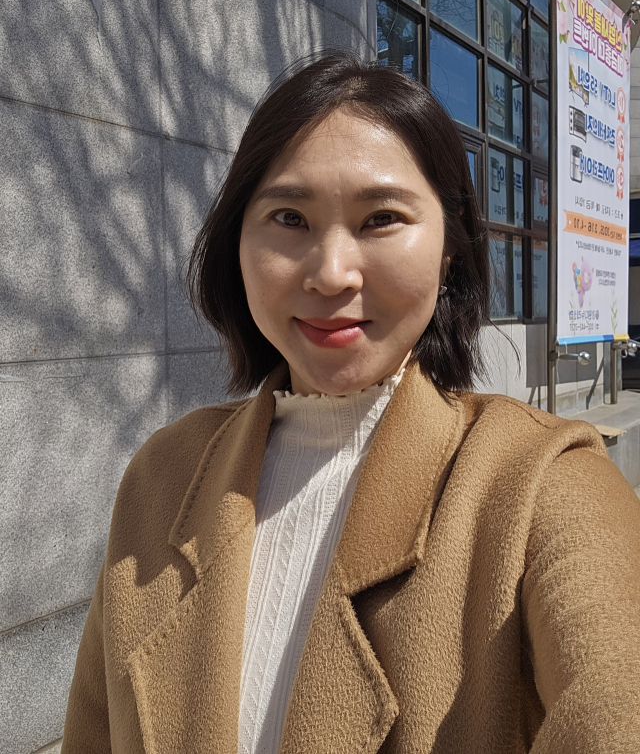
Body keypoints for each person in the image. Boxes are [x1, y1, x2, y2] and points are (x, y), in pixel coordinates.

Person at [61, 53, 640, 754]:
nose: (331, 273)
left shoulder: (541, 483)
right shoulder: (162, 476)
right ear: (237, 242)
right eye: (289, 217)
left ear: (449, 249)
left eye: (381, 218)